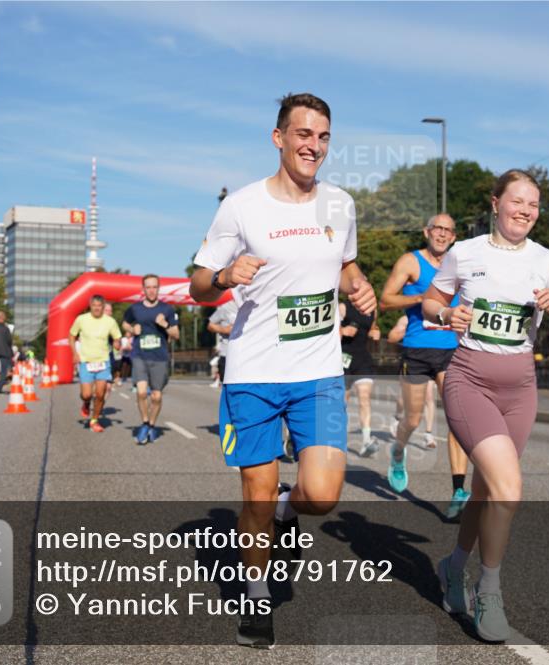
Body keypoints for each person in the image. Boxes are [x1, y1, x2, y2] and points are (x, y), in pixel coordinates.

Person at [190, 93, 376, 649]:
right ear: (279, 138)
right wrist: (224, 276)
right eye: (303, 134)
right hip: (253, 371)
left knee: (322, 493)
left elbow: (345, 265)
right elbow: (197, 284)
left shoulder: (340, 205)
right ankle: (256, 594)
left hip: (317, 371)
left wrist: (359, 285)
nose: (313, 146)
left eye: (323, 137)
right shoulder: (241, 207)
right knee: (256, 491)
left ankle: (285, 512)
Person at [425, 169, 549, 642]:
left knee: (487, 491)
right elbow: (431, 302)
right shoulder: (465, 252)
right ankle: (489, 591)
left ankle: (453, 567)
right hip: (469, 379)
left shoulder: (547, 261)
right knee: (509, 489)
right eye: (517, 201)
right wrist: (446, 313)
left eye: (533, 205)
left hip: (520, 389)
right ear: (495, 203)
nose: (525, 211)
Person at [379, 214, 470, 516]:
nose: (442, 234)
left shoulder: (460, 263)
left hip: (451, 350)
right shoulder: (411, 262)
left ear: (454, 237)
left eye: (448, 230)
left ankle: (459, 490)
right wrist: (422, 297)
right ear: (426, 232)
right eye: (437, 229)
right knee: (413, 419)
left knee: (457, 418)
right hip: (417, 350)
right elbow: (385, 300)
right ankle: (398, 452)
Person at [122, 274, 180, 444]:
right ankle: (145, 423)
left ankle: (152, 425)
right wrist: (132, 329)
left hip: (160, 357)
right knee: (141, 392)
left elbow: (176, 334)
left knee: (156, 397)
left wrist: (165, 325)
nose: (151, 290)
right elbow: (125, 323)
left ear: (158, 288)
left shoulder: (167, 309)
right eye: (148, 287)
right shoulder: (135, 309)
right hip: (139, 355)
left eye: (154, 287)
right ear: (143, 289)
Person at [69, 295, 122, 433]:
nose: (97, 308)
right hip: (86, 362)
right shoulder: (81, 319)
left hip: (103, 362)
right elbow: (72, 336)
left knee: (100, 394)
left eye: (99, 306)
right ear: (90, 306)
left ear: (103, 307)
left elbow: (117, 337)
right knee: (86, 394)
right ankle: (86, 403)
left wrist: (117, 344)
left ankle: (94, 420)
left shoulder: (110, 321)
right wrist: (75, 353)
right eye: (94, 305)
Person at [385, 315, 439, 452]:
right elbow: (391, 337)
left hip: (433, 358)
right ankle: (397, 417)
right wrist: (408, 331)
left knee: (429, 396)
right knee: (403, 398)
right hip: (413, 359)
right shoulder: (407, 318)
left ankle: (428, 434)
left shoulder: (438, 316)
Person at [340, 301, 380, 457]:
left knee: (364, 398)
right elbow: (329, 331)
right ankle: (339, 439)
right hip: (344, 358)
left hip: (362, 359)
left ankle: (366, 441)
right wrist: (343, 330)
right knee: (342, 402)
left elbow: (372, 328)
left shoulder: (372, 310)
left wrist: (375, 333)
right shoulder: (344, 307)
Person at [207, 298, 239, 389]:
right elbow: (210, 325)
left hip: (246, 353)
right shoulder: (226, 307)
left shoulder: (252, 306)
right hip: (227, 353)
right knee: (228, 387)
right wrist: (224, 330)